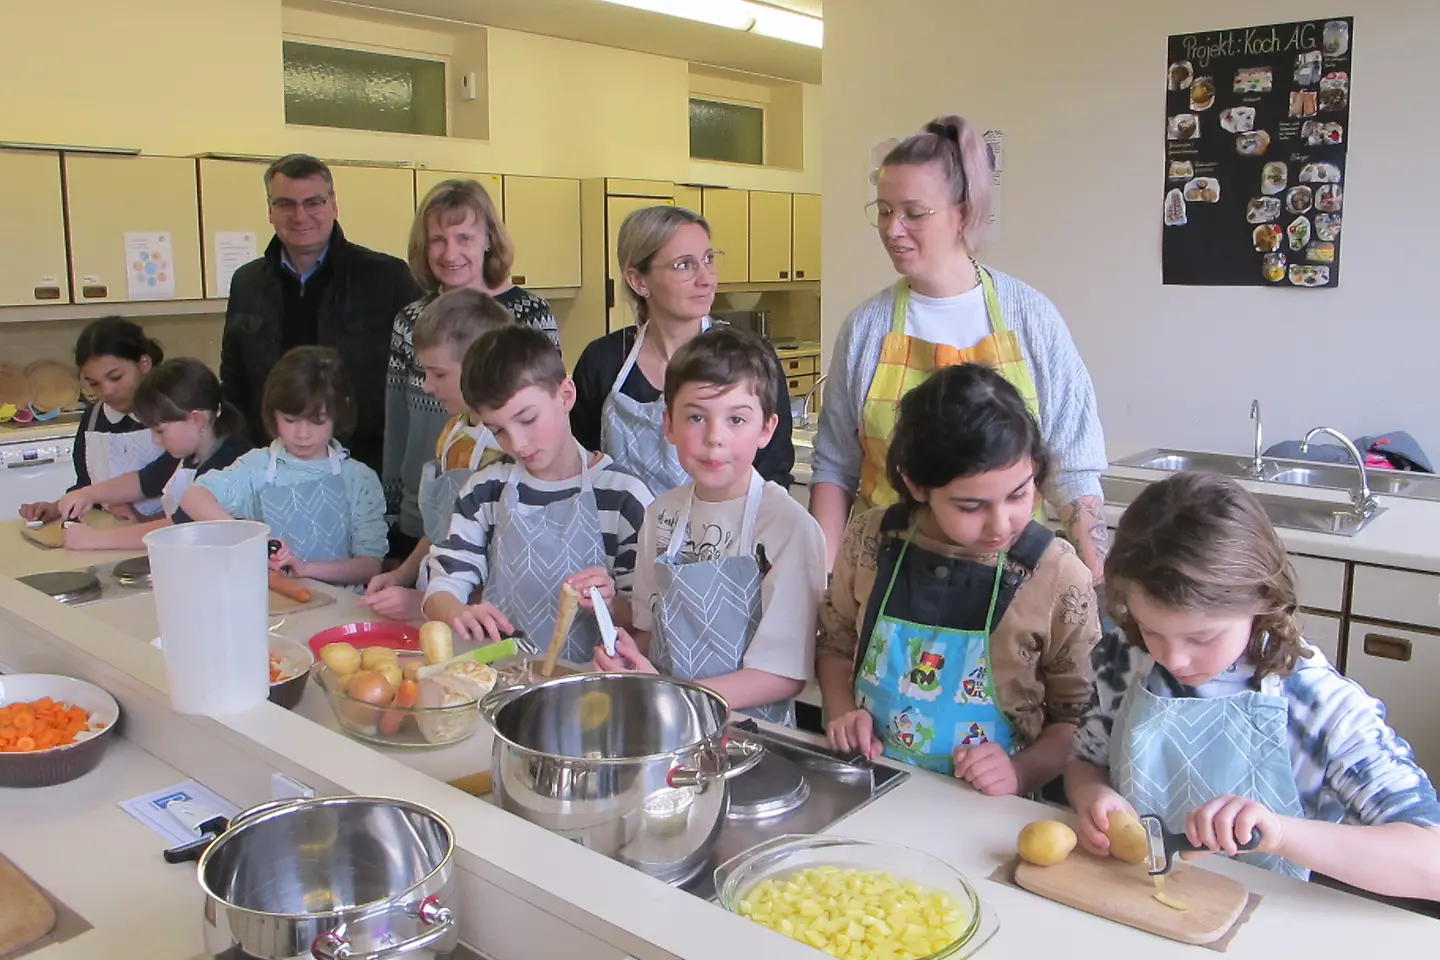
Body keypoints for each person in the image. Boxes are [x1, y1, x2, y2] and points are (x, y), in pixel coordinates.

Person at [1067, 473, 1440, 896]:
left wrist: (1281, 833)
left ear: (1262, 599)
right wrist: (1093, 796)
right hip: (1134, 899)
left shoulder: (1317, 703)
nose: (1173, 659)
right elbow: (1085, 760)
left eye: (1202, 638)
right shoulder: (1125, 657)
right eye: (1152, 630)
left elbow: (1432, 859)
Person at [808, 115, 1109, 596]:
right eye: (884, 210)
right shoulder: (866, 328)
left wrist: (1097, 587)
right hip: (889, 582)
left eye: (914, 212)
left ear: (963, 212)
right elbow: (835, 466)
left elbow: (1072, 467)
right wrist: (823, 582)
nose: (892, 228)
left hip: (1012, 586)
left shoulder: (1029, 317)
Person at [817, 364, 1099, 793]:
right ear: (915, 484)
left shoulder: (1057, 576)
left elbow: (1078, 720)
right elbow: (835, 645)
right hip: (872, 785)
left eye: (1019, 494)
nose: (1000, 524)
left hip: (991, 811)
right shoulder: (870, 539)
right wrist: (840, 710)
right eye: (971, 506)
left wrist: (1020, 771)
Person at [594, 327, 826, 726]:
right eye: (697, 417)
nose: (715, 438)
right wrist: (631, 656)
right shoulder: (661, 515)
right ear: (669, 424)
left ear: (767, 429)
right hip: (666, 723)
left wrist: (678, 695)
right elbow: (653, 636)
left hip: (753, 737)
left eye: (737, 419)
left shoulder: (787, 527)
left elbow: (784, 675)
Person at [423, 326, 652, 661]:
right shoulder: (485, 490)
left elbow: (646, 623)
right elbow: (441, 588)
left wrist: (609, 604)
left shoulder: (623, 498)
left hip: (592, 685)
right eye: (497, 430)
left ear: (565, 395)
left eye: (527, 419)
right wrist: (455, 611)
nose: (518, 443)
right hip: (506, 677)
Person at [384, 178, 559, 557]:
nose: (450, 252)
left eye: (464, 237)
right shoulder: (410, 318)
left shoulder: (528, 314)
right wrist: (394, 508)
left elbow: (552, 413)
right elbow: (397, 421)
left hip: (507, 508)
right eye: (438, 240)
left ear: (488, 240)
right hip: (426, 505)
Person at [570, 205, 795, 495]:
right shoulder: (603, 361)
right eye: (684, 265)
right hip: (622, 537)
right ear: (638, 280)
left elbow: (773, 471)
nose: (706, 278)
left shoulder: (748, 357)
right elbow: (581, 468)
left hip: (727, 533)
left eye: (708, 259)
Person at [221, 153, 422, 477]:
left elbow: (418, 377)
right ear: (270, 210)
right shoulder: (246, 282)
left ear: (333, 205)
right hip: (274, 466)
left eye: (313, 202)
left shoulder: (387, 277)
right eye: (285, 203)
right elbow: (233, 381)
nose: (300, 215)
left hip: (367, 465)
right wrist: (247, 457)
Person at [181, 347, 388, 590]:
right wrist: (251, 538)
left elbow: (370, 565)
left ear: (338, 414)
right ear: (272, 414)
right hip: (272, 603)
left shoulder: (358, 479)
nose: (302, 434)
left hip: (343, 610)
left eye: (317, 421)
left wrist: (306, 569)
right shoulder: (256, 467)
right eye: (290, 420)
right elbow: (193, 497)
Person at [363, 289, 513, 621]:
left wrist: (422, 601)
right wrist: (402, 575)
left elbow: (507, 573)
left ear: (481, 364)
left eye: (439, 374)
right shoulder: (453, 433)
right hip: (436, 604)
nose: (427, 386)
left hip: (476, 620)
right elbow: (440, 525)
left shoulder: (510, 450)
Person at [53, 358, 251, 550]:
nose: (156, 440)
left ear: (197, 420)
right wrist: (88, 494)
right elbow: (143, 481)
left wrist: (94, 540)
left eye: (159, 431)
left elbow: (180, 529)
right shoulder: (189, 454)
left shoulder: (230, 461)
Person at [20, 317, 174, 523]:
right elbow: (86, 484)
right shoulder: (93, 419)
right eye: (94, 383)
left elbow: (166, 479)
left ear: (144, 364)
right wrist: (58, 506)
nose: (107, 391)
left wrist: (141, 520)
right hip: (109, 538)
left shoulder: (177, 414)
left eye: (116, 377)